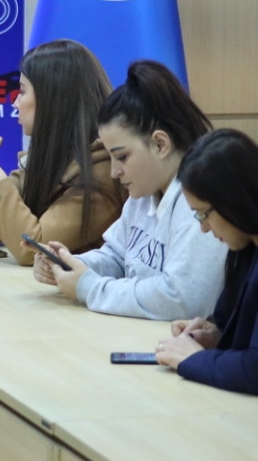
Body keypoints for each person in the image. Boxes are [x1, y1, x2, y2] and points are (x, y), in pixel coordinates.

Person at [32, 61, 225, 320]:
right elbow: (117, 256)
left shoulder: (201, 203)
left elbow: (182, 298)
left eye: (122, 157)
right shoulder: (144, 192)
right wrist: (71, 266)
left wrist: (89, 287)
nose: (114, 172)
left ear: (160, 144)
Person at [0, 39, 124, 264]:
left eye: (22, 92)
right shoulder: (48, 157)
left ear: (54, 99)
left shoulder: (102, 172)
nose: (15, 103)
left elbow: (35, 248)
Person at [153, 129, 258, 393]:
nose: (204, 228)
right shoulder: (246, 248)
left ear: (232, 201)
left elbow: (255, 370)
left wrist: (193, 358)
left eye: (203, 214)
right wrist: (218, 336)